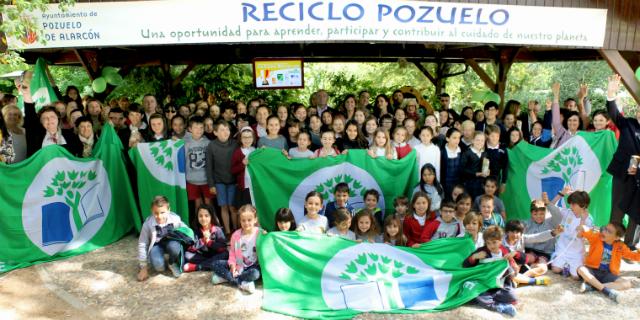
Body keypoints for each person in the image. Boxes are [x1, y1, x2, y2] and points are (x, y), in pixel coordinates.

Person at [606, 74, 640, 248]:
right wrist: (611, 93)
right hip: (621, 174)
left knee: (636, 212)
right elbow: (613, 113)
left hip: (639, 177)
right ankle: (611, 242)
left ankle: (629, 245)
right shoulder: (628, 123)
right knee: (617, 209)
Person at [463, 225, 519, 317]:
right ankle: (499, 307)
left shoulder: (505, 251)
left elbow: (512, 265)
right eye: (488, 243)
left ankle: (489, 299)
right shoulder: (481, 251)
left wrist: (514, 268)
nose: (491, 246)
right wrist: (474, 257)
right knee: (475, 293)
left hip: (500, 284)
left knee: (512, 297)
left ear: (500, 241)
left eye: (494, 242)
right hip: (483, 284)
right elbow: (465, 265)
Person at [577, 222, 640, 302]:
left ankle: (593, 286)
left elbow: (634, 256)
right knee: (581, 269)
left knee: (627, 284)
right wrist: (583, 227)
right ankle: (605, 290)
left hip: (607, 274)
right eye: (605, 228)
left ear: (617, 237)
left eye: (609, 231)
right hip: (592, 270)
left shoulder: (620, 246)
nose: (604, 232)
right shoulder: (596, 238)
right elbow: (588, 234)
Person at [19, 80, 79, 157]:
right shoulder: (36, 135)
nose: (49, 120)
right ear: (40, 121)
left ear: (58, 118)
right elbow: (30, 114)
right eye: (45, 118)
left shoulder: (70, 135)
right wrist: (26, 93)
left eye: (52, 117)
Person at [211, 204, 261, 294]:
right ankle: (243, 283)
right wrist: (233, 267)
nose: (246, 223)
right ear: (240, 221)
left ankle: (226, 278)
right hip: (238, 265)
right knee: (215, 264)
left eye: (249, 220)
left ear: (255, 220)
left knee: (255, 274)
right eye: (243, 220)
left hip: (252, 266)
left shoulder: (259, 233)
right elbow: (233, 254)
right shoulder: (237, 235)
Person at [137, 195, 188, 281]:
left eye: (162, 212)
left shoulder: (175, 219)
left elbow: (186, 230)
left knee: (174, 247)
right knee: (159, 267)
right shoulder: (148, 224)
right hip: (157, 245)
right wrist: (143, 267)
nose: (159, 216)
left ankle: (172, 262)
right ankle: (160, 261)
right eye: (156, 213)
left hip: (171, 243)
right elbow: (142, 243)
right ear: (152, 211)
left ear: (168, 210)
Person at [546, 189, 593, 279]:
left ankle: (568, 266)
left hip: (576, 251)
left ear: (583, 205)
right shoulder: (567, 212)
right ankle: (564, 265)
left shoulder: (588, 219)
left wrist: (582, 220)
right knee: (556, 269)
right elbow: (550, 206)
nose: (570, 206)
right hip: (562, 247)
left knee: (575, 276)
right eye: (570, 203)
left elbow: (579, 235)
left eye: (573, 204)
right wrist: (561, 194)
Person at [502, 220, 559, 286]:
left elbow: (537, 237)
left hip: (520, 265)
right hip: (507, 267)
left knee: (543, 268)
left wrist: (553, 233)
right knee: (511, 274)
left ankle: (519, 279)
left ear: (521, 233)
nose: (515, 235)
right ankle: (532, 281)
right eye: (512, 232)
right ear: (507, 232)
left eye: (517, 232)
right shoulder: (501, 241)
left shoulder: (522, 238)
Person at [206, 120, 238, 235]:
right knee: (223, 207)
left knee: (233, 207)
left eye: (227, 129)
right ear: (215, 132)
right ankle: (228, 232)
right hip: (219, 182)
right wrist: (211, 184)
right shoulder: (211, 145)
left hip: (233, 181)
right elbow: (209, 167)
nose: (226, 132)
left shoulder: (235, 144)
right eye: (222, 130)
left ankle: (236, 230)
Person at [183, 205, 228, 272]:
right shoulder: (196, 231)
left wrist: (209, 242)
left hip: (216, 255)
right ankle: (210, 264)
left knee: (225, 254)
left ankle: (198, 267)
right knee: (187, 255)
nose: (203, 218)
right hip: (203, 256)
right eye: (200, 216)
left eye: (206, 216)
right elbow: (191, 249)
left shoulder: (217, 230)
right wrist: (203, 241)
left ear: (211, 217)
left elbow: (223, 248)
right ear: (197, 217)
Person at [524, 198, 563, 268]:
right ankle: (529, 267)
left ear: (546, 212)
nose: (538, 216)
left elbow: (558, 216)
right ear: (531, 214)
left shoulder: (551, 222)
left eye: (541, 214)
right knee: (527, 258)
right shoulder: (526, 224)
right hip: (529, 251)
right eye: (535, 214)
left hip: (545, 253)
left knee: (542, 264)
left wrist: (548, 204)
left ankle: (533, 268)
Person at [185, 116, 213, 211]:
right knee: (197, 204)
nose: (199, 130)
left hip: (206, 179)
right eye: (196, 128)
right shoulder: (185, 143)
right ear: (190, 129)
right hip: (192, 179)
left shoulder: (208, 143)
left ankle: (211, 223)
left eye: (201, 128)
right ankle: (198, 224)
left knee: (208, 203)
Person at [230, 126, 256, 207]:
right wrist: (242, 164)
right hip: (244, 188)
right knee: (245, 209)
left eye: (249, 137)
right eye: (244, 137)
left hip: (255, 186)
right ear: (240, 139)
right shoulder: (238, 152)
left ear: (253, 138)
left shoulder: (255, 151)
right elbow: (233, 170)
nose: (247, 139)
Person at [460, 131, 488, 199]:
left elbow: (485, 166)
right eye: (477, 140)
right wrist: (476, 174)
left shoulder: (484, 153)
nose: (480, 142)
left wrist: (488, 171)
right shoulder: (467, 153)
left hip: (481, 183)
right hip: (469, 183)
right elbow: (462, 169)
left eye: (482, 140)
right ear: (472, 140)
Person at [485, 125, 508, 193]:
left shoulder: (503, 149)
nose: (495, 138)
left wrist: (503, 183)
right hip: (483, 178)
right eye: (492, 136)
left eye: (497, 136)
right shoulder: (483, 147)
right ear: (487, 136)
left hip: (496, 179)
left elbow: (505, 167)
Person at [440, 128, 463, 198]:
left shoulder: (461, 151)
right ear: (447, 138)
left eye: (458, 138)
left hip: (458, 182)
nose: (457, 140)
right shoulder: (442, 152)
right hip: (446, 183)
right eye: (454, 138)